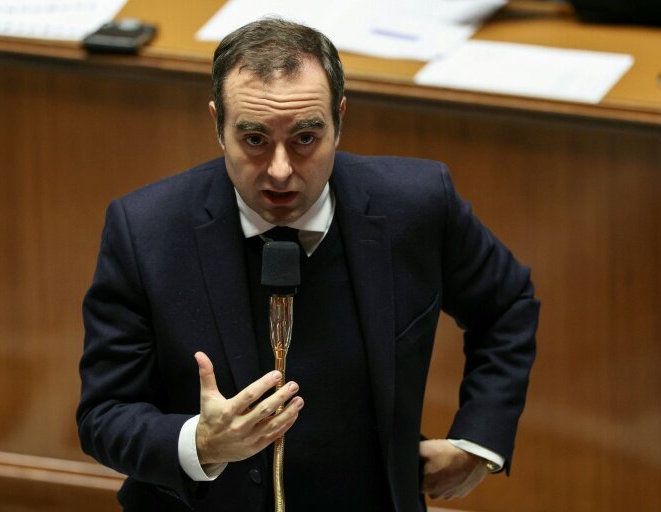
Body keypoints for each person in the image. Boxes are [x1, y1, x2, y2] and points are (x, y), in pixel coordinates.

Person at [77, 17, 539, 512]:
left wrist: (477, 442)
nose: (280, 170)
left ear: (338, 120)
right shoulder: (146, 230)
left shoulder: (417, 205)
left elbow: (506, 305)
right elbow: (104, 414)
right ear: (217, 124)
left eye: (304, 139)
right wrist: (200, 444)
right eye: (254, 139)